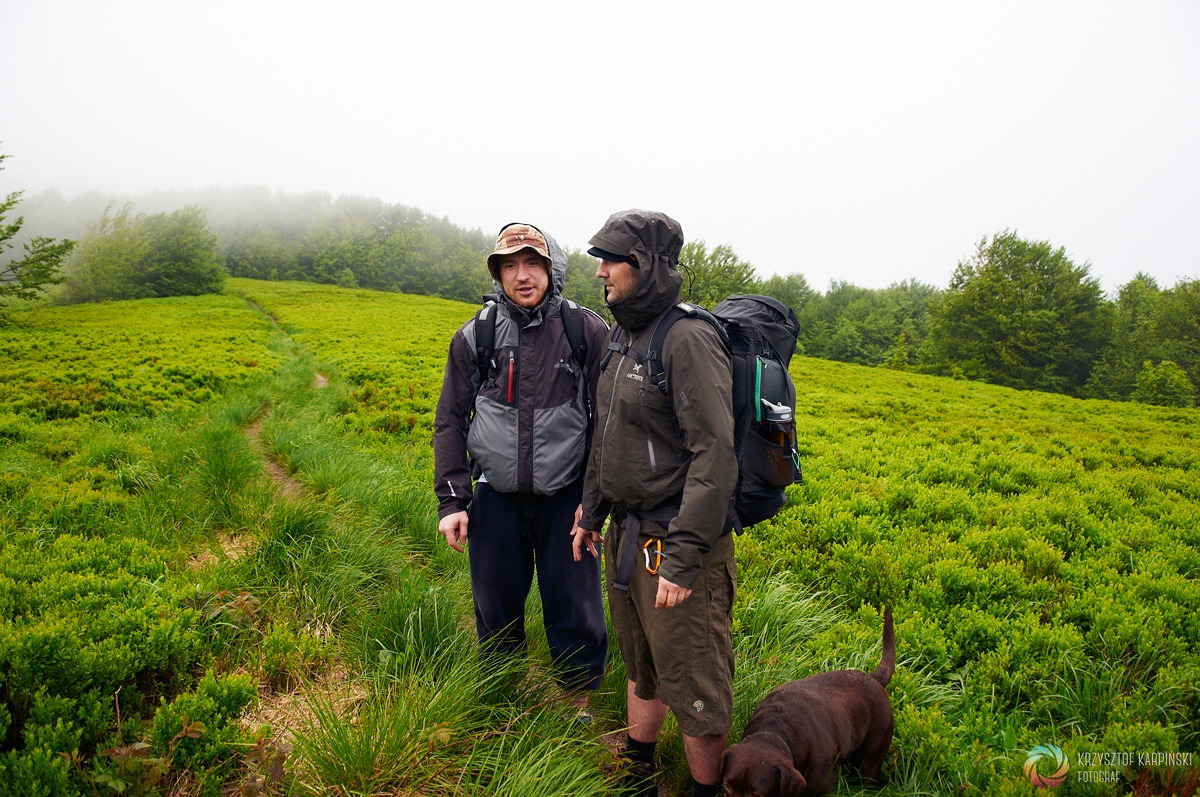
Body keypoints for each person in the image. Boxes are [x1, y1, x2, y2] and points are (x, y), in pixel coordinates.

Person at [572, 210, 737, 797]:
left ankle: (704, 790)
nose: (600, 272)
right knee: (642, 663)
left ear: (644, 266)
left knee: (693, 677)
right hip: (627, 534)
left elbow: (715, 458)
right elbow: (606, 434)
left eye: (610, 259)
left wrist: (686, 557)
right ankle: (638, 770)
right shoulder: (624, 335)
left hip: (674, 543)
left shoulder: (687, 339)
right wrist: (591, 512)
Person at [433, 222, 608, 711]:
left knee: (575, 610)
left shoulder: (586, 330)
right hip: (495, 498)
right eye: (509, 265)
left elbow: (606, 423)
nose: (522, 275)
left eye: (533, 263)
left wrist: (593, 505)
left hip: (567, 502)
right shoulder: (477, 335)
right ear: (497, 274)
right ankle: (501, 701)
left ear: (553, 268)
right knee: (495, 608)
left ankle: (578, 710)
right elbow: (449, 418)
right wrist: (453, 501)